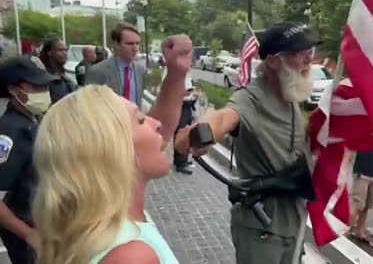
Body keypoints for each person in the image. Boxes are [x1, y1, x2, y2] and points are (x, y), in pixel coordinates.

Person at [32, 35, 192, 264]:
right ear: (110, 149)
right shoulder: (131, 256)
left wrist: (176, 73)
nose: (156, 124)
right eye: (140, 120)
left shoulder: (102, 224)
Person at [175, 23, 318, 264]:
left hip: (293, 224)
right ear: (272, 62)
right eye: (299, 53)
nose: (308, 60)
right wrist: (201, 134)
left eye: (309, 53)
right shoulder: (249, 100)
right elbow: (221, 118)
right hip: (262, 229)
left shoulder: (290, 94)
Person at [0, 56, 58, 264]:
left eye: (44, 85)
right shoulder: (9, 132)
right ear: (15, 90)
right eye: (35, 86)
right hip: (29, 237)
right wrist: (29, 235)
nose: (43, 91)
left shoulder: (31, 121)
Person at [86, 23, 146, 107]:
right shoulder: (97, 71)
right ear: (116, 44)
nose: (135, 48)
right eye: (130, 44)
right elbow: (89, 105)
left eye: (137, 43)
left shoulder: (140, 70)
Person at [39, 37, 77, 103]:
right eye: (60, 50)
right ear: (49, 52)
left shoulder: (64, 75)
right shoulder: (42, 76)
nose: (65, 53)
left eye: (65, 50)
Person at [174, 76, 198, 175]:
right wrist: (190, 93)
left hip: (187, 104)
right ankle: (180, 163)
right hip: (182, 105)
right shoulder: (177, 73)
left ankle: (182, 159)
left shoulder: (187, 73)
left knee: (187, 131)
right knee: (182, 131)